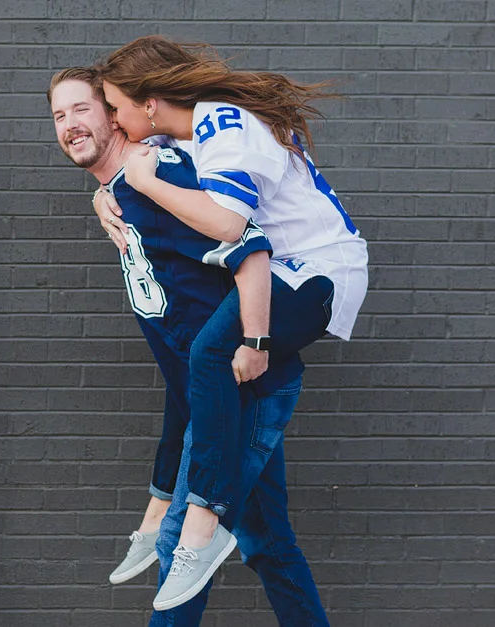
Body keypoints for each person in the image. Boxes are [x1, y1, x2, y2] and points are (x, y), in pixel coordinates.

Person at [93, 35, 369, 609]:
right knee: (269, 536)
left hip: (318, 270)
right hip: (285, 272)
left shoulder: (222, 125)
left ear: (148, 102)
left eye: (115, 107)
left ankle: (202, 526)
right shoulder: (183, 128)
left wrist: (142, 183)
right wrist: (108, 194)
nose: (113, 121)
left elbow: (226, 224)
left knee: (211, 354)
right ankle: (180, 519)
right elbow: (138, 166)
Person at [49, 68, 331, 625]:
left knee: (185, 543)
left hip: (244, 386)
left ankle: (169, 528)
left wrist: (252, 343)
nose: (70, 125)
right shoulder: (123, 194)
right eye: (59, 116)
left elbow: (250, 247)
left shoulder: (159, 179)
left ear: (114, 112)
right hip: (216, 395)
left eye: (82, 109)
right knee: (266, 544)